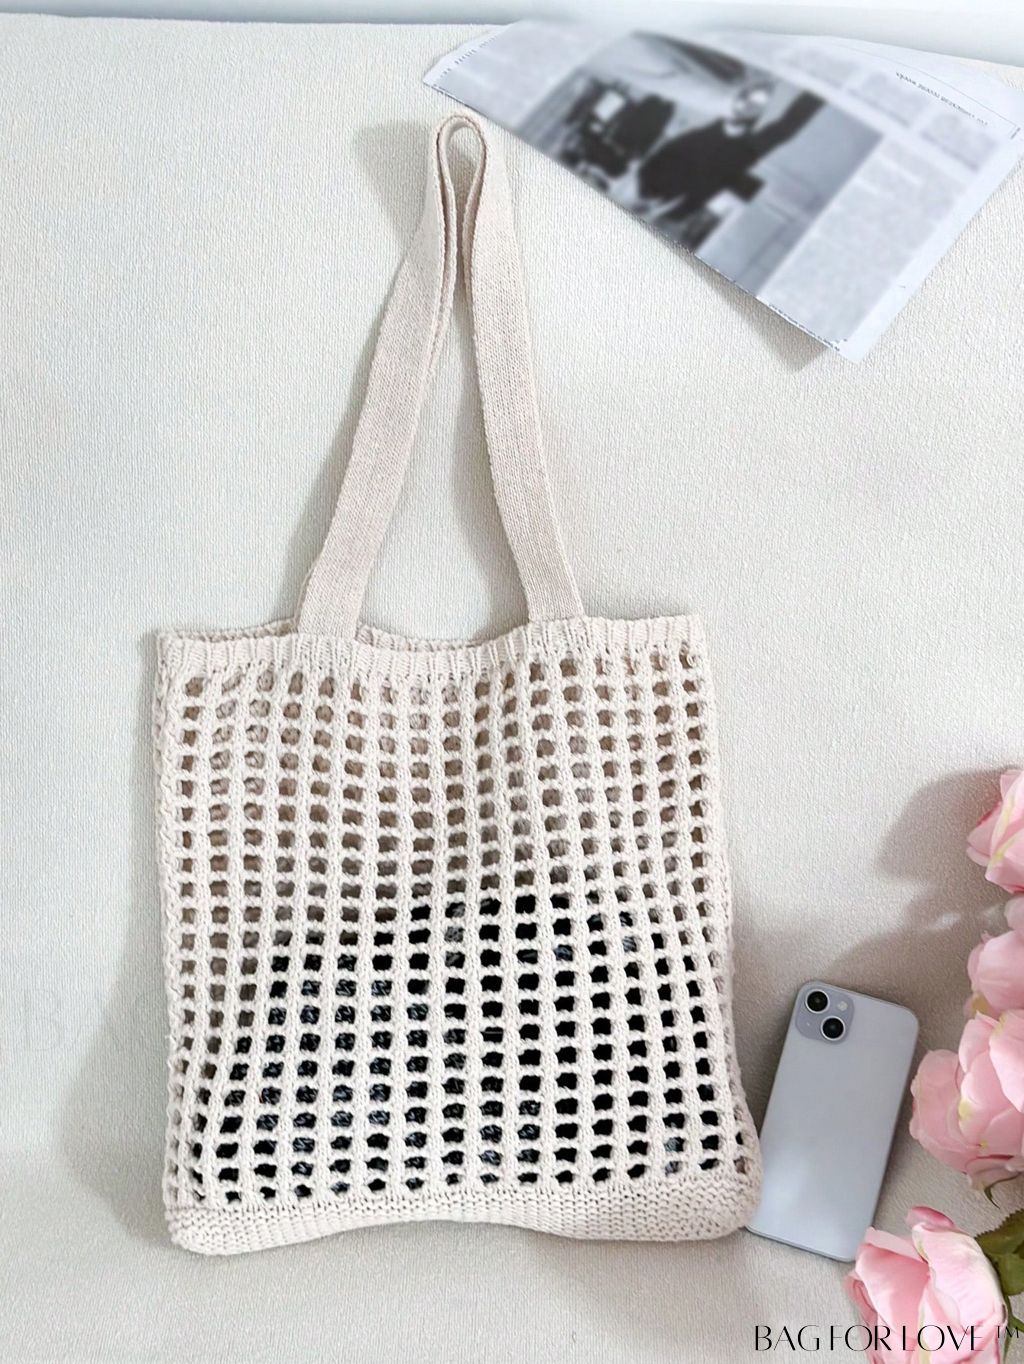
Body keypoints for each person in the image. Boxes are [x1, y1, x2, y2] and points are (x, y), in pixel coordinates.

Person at [638, 85, 824, 224]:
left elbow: (676, 147)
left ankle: (770, 78)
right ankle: (816, 95)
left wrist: (715, 131)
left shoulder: (647, 177)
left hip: (722, 138)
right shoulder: (678, 214)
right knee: (784, 130)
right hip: (743, 156)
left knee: (754, 103)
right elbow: (714, 188)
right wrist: (739, 171)